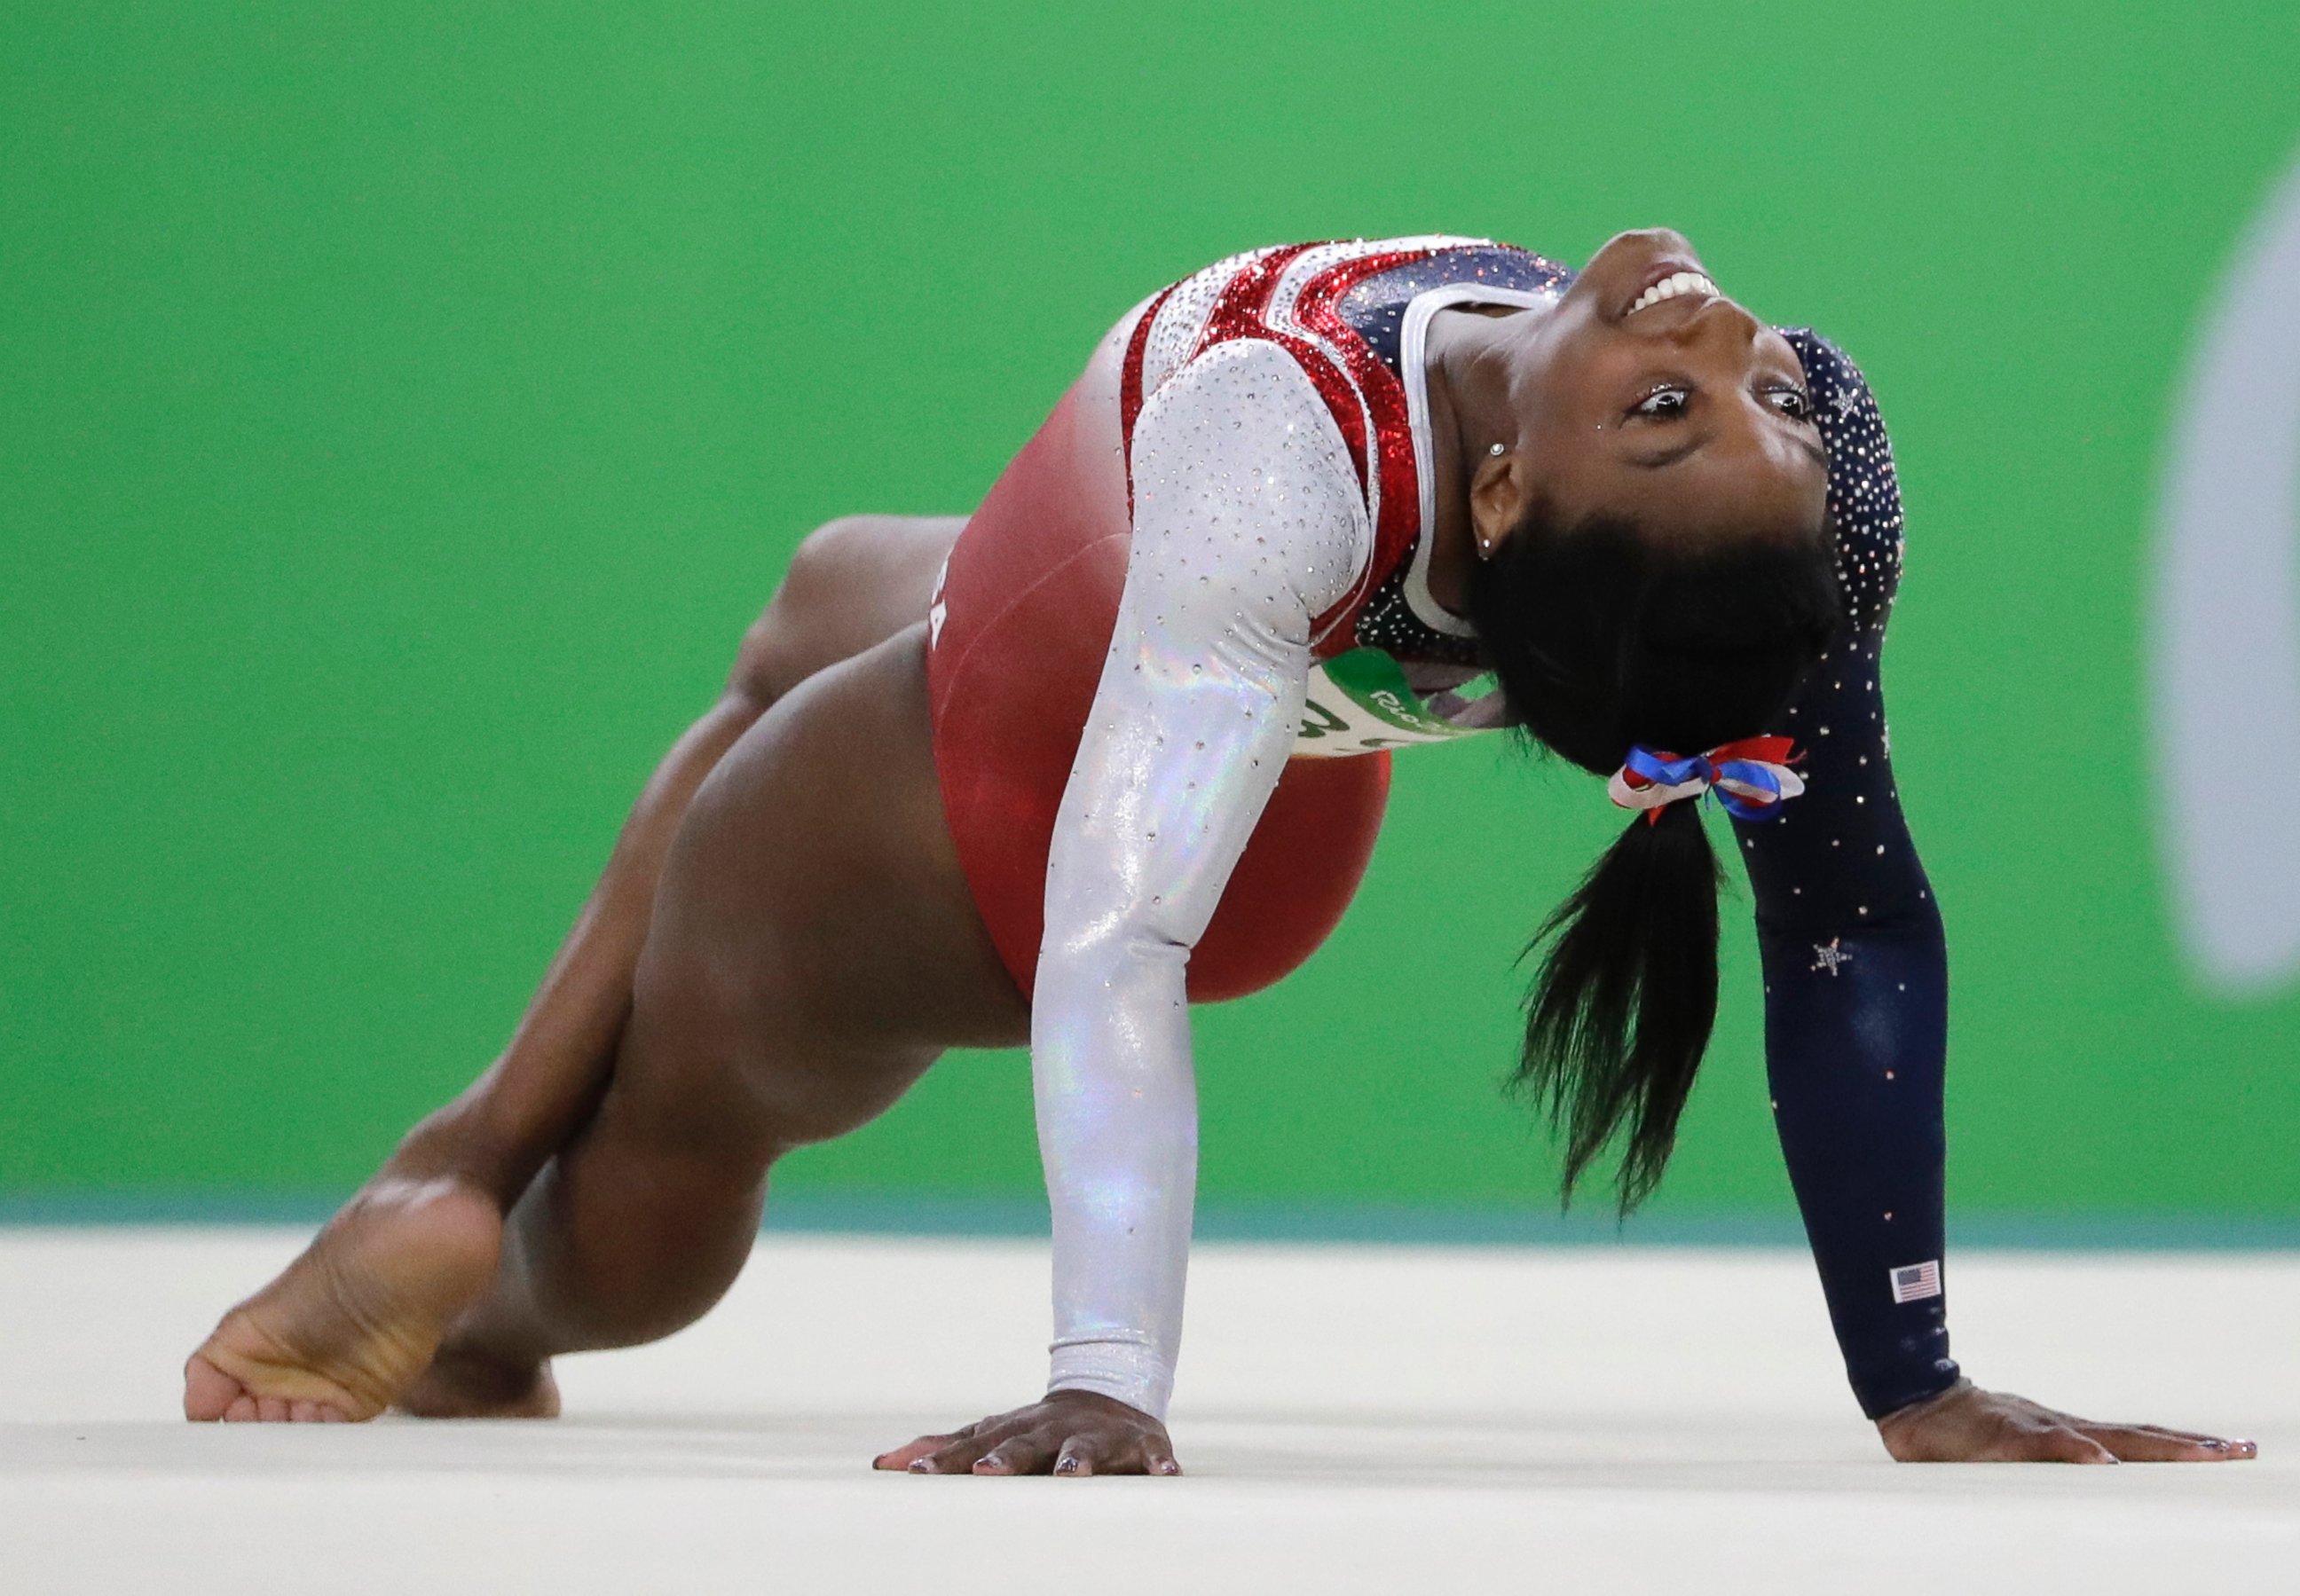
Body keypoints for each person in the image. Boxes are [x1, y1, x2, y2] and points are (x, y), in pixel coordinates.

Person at [182, 230, 2253, 1473]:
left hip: (1028, 795)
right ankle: (455, 1152)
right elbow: (1855, 906)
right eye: (1742, 396)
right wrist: (1915, 1380)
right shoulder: (1821, 473)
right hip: (1096, 637)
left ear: (1515, 498)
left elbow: (1116, 932)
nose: (1729, 346)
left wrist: (1107, 1380)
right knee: (824, 589)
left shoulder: (1284, 451)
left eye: (1670, 414)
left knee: (673, 1125)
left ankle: (496, 1295)